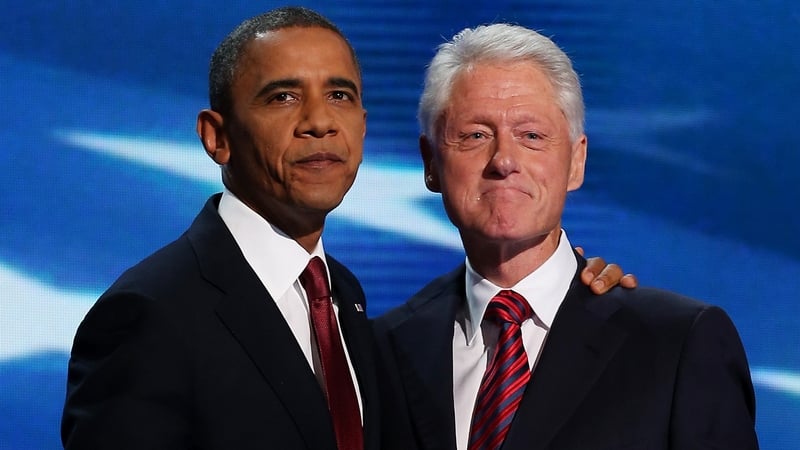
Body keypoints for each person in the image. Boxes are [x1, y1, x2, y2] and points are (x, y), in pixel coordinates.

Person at [60, 7, 634, 450]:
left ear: (362, 125)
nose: (318, 123)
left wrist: (567, 292)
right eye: (282, 97)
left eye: (340, 95)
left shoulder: (347, 303)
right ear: (217, 136)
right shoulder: (150, 315)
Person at [373, 23, 758, 450]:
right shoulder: (381, 351)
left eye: (531, 136)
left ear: (576, 162)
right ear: (431, 163)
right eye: (475, 136)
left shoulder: (678, 344)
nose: (503, 161)